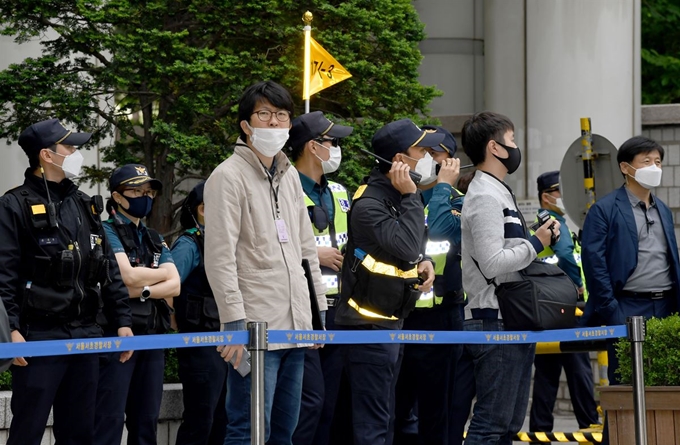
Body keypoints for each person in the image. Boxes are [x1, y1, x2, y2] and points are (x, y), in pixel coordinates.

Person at [204, 80, 327, 445]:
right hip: (255, 328)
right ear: (246, 124)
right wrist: (235, 324)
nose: (274, 123)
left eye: (282, 116)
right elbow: (220, 257)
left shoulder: (290, 176)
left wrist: (316, 317)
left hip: (294, 325)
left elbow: (306, 250)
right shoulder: (227, 177)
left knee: (284, 432)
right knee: (248, 429)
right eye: (264, 115)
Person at [0, 118, 133, 445]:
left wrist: (123, 322)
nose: (76, 153)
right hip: (38, 335)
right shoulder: (13, 204)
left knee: (79, 433)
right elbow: (5, 273)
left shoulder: (84, 204)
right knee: (28, 430)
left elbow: (107, 268)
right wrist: (12, 330)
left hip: (85, 333)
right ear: (46, 155)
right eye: (69, 147)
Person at [334, 118, 437, 445]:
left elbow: (410, 250)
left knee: (390, 417)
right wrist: (411, 195)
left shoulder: (398, 195)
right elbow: (405, 244)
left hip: (390, 321)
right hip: (366, 327)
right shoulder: (370, 203)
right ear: (398, 160)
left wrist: (426, 262)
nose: (427, 156)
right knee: (373, 424)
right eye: (420, 150)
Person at [459, 111, 557, 445]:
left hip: (510, 318)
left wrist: (539, 238)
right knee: (491, 423)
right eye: (512, 140)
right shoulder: (485, 195)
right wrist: (536, 242)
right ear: (495, 147)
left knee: (508, 422)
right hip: (493, 320)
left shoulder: (497, 190)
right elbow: (492, 263)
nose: (516, 147)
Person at [581, 136, 680, 385]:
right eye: (646, 161)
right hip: (627, 306)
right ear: (625, 167)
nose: (654, 168)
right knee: (625, 383)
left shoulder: (663, 210)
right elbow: (594, 262)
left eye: (657, 162)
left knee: (665, 383)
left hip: (666, 306)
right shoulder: (605, 209)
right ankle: (617, 427)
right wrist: (611, 309)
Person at [94, 163, 181, 445]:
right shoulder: (106, 231)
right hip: (118, 334)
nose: (144, 196)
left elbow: (175, 283)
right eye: (136, 190)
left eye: (148, 191)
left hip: (153, 336)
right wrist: (157, 279)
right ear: (117, 196)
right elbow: (125, 275)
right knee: (108, 418)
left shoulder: (154, 236)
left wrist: (141, 290)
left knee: (146, 420)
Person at [394, 125, 464, 445]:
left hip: (441, 316)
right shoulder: (401, 196)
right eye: (422, 151)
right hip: (401, 316)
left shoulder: (461, 202)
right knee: (396, 407)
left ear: (451, 161)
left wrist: (443, 189)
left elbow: (438, 233)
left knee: (438, 411)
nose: (426, 158)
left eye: (434, 153)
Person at [287, 111, 354, 445]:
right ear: (313, 147)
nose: (337, 149)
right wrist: (315, 254)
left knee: (331, 405)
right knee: (306, 403)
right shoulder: (283, 189)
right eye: (333, 142)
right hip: (303, 312)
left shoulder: (340, 191)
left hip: (341, 312)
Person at [529, 171, 599, 440]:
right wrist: (578, 285)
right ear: (546, 196)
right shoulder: (553, 221)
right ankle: (589, 425)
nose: (565, 197)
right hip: (568, 305)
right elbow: (567, 255)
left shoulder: (538, 222)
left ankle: (539, 429)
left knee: (547, 372)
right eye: (560, 192)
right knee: (579, 368)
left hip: (547, 307)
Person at [171, 181, 228, 445]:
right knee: (201, 419)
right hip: (201, 342)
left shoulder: (224, 241)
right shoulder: (189, 243)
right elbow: (171, 285)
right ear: (203, 209)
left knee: (223, 419)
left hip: (227, 341)